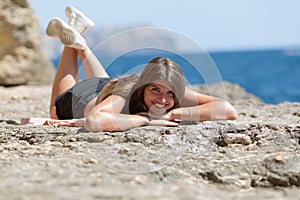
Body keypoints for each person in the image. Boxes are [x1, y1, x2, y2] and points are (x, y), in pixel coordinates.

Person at [45, 6, 237, 132]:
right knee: (55, 109)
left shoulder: (169, 90)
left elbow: (227, 110)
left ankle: (80, 37)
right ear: (144, 86)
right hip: (81, 96)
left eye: (170, 93)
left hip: (107, 86)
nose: (163, 99)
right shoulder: (125, 93)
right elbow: (94, 121)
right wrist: (143, 120)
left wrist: (173, 114)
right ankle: (72, 44)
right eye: (155, 90)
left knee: (109, 86)